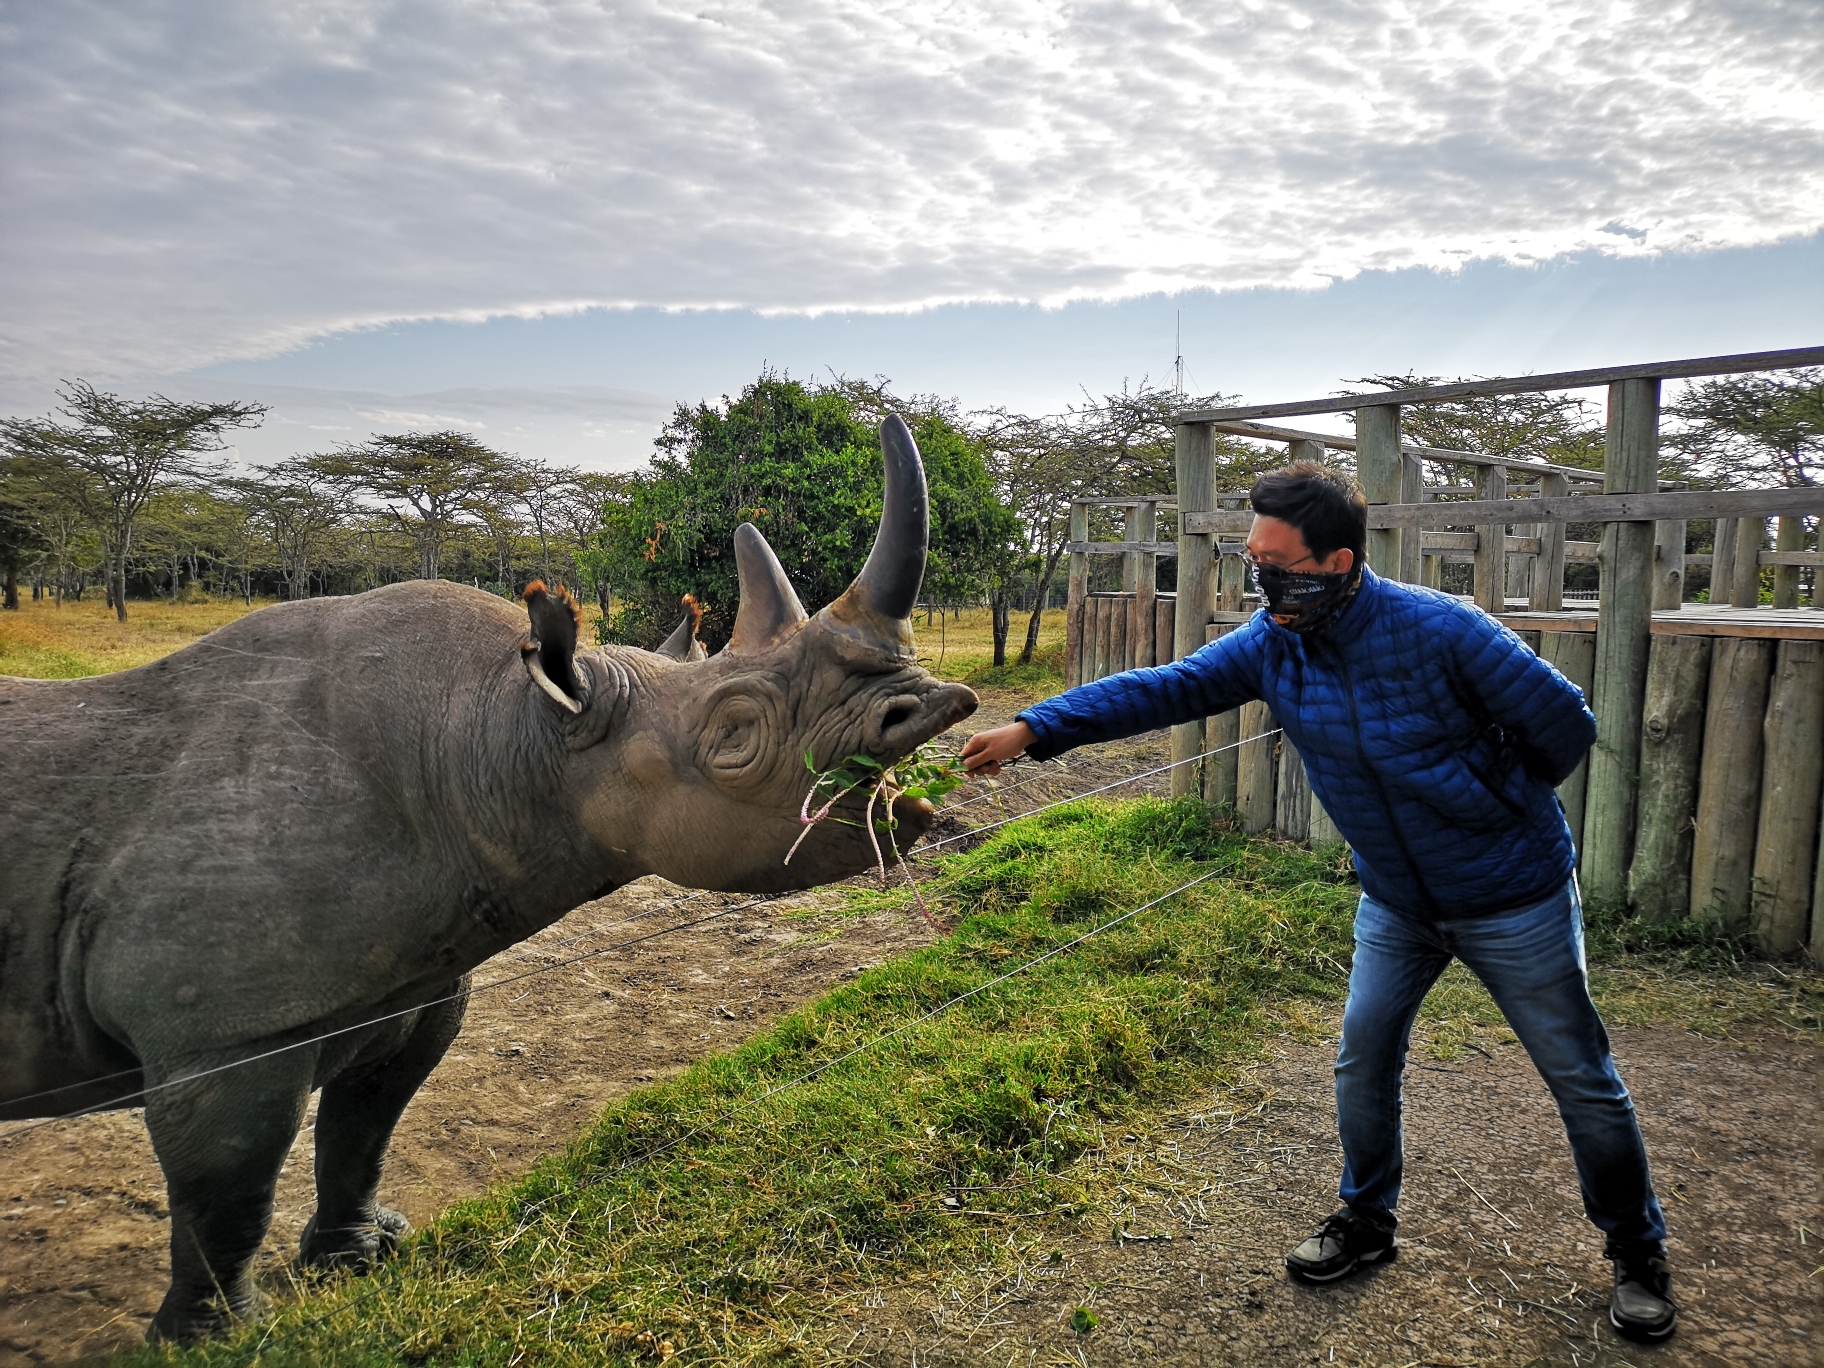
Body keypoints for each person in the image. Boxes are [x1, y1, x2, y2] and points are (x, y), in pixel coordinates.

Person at [960, 462, 1676, 1345]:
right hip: (1396, 901)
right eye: (1251, 561)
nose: (1260, 580)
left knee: (1579, 1078)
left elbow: (1566, 723)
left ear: (1337, 562)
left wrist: (1488, 796)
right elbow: (1168, 687)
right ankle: (1366, 1222)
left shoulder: (1443, 629)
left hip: (1508, 893)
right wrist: (1038, 726)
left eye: (1277, 564)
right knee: (1363, 1060)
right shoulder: (1274, 641)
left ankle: (1637, 1252)